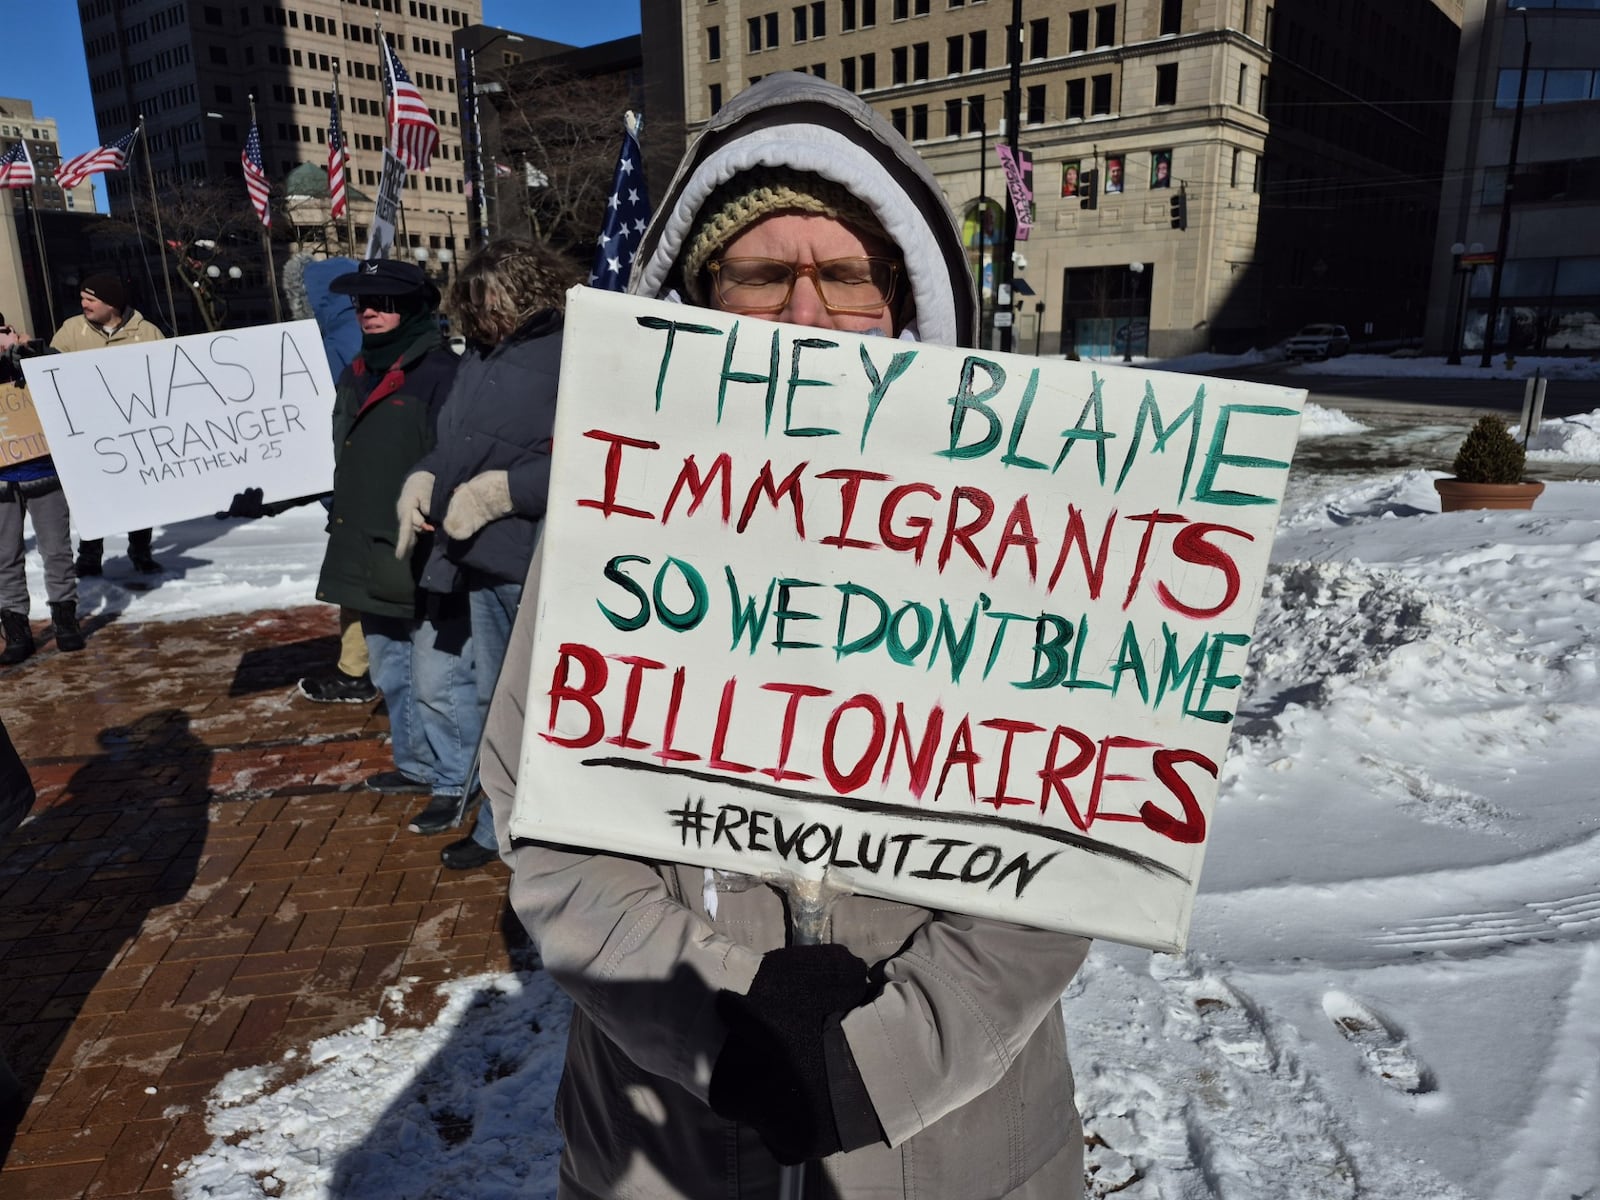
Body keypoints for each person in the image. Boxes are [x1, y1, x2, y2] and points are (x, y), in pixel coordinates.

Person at [479, 72, 1092, 1198]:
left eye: (847, 274)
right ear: (701, 301)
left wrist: (878, 1064)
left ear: (898, 300)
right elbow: (554, 840)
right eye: (762, 272)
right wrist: (740, 1030)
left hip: (958, 1148)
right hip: (674, 1142)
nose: (805, 312)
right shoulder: (609, 538)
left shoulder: (1019, 539)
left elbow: (1062, 862)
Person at [395, 238, 574, 870]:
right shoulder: (480, 354)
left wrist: (506, 493)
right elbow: (460, 442)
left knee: (535, 706)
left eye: (486, 300)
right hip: (478, 556)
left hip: (536, 561)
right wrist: (424, 474)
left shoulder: (571, 351)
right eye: (469, 303)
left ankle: (544, 832)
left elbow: (601, 456)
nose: (477, 314)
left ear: (525, 291)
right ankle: (501, 826)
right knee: (499, 701)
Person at [315, 260, 477, 814]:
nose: (369, 311)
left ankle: (457, 781)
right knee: (389, 667)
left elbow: (457, 456)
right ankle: (418, 767)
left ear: (411, 308)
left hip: (427, 548)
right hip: (368, 544)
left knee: (437, 677)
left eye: (383, 302)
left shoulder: (440, 372)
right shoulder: (356, 370)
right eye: (362, 301)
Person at [281, 253, 379, 705]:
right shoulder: (367, 332)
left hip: (352, 482)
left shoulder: (320, 346)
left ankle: (357, 671)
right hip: (371, 475)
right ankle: (360, 666)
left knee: (359, 581)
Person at [48, 274, 165, 577]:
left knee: (140, 493)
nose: (83, 304)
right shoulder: (71, 331)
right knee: (91, 494)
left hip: (136, 431)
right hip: (89, 434)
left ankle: (140, 550)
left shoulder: (148, 332)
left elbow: (166, 378)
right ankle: (89, 556)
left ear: (111, 303)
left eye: (91, 299)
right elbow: (51, 375)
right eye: (83, 298)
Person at [0, 318, 83, 664]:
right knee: (5, 558)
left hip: (44, 473)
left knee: (57, 551)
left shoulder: (34, 359)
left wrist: (34, 354)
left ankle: (65, 622)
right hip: (2, 484)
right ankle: (17, 630)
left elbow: (66, 376)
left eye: (3, 333)